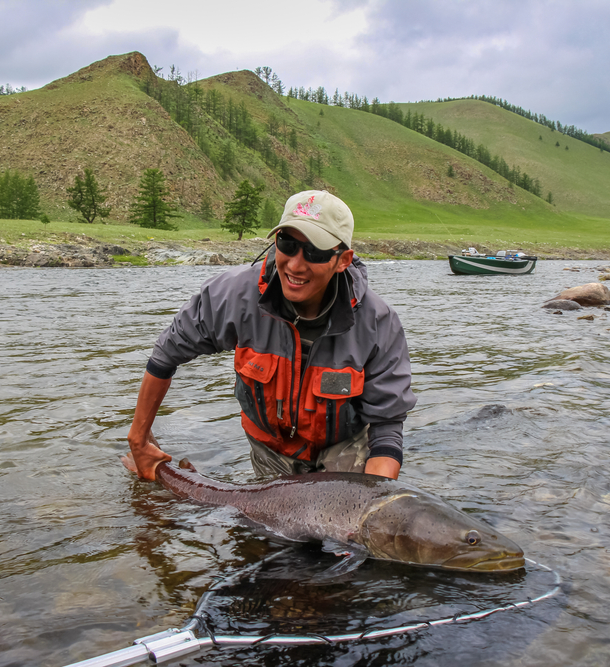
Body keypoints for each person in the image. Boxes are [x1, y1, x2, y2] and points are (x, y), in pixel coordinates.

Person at [121, 190, 416, 481]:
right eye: (287, 244)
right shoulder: (233, 296)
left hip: (342, 447)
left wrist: (378, 502)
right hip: (271, 448)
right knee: (270, 528)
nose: (295, 264)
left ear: (343, 260)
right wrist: (139, 440)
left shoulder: (378, 323)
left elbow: (386, 425)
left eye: (315, 251)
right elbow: (165, 355)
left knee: (343, 525)